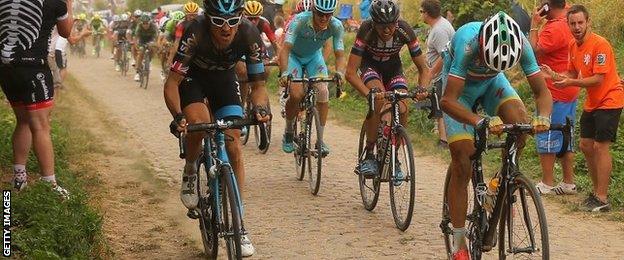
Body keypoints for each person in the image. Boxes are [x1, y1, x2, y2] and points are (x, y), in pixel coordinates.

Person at [440, 12, 552, 259]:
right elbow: (447, 101)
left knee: (520, 126)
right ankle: (459, 244)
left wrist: (543, 116)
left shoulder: (521, 43)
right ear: (482, 45)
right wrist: (480, 120)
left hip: (493, 84)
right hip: (459, 92)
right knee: (463, 159)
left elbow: (542, 93)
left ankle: (498, 185)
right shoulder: (467, 43)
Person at [163, 0, 270, 256]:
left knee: (233, 143)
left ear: (240, 19)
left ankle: (240, 226)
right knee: (198, 125)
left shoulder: (249, 33)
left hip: (224, 79)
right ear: (207, 18)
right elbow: (172, 83)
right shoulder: (195, 32)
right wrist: (178, 116)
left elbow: (258, 86)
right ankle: (190, 170)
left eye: (232, 21)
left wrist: (260, 109)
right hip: (193, 79)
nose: (226, 28)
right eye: (218, 21)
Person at [541, 5, 624, 212]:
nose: (577, 27)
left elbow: (598, 79)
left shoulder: (600, 44)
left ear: (588, 22)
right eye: (573, 23)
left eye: (580, 22)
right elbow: (571, 72)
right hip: (593, 102)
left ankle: (602, 197)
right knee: (586, 145)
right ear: (568, 25)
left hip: (610, 99)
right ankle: (596, 193)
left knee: (600, 146)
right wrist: (554, 75)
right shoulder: (572, 45)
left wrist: (570, 84)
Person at [346, 0, 430, 177]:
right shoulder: (366, 30)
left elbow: (424, 69)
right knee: (379, 99)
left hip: (393, 68)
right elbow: (351, 73)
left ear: (397, 22)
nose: (387, 30)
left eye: (391, 25)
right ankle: (369, 154)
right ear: (374, 23)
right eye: (382, 26)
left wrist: (422, 88)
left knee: (403, 106)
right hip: (370, 67)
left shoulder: (404, 30)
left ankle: (395, 157)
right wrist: (368, 94)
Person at [0, 0, 74, 198]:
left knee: (23, 121)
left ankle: (19, 178)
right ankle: (49, 185)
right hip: (34, 68)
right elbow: (66, 32)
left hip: (7, 69)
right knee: (40, 125)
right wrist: (69, 4)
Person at [279, 0, 346, 155]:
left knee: (323, 92)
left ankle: (320, 140)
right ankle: (289, 131)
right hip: (293, 57)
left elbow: (340, 55)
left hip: (313, 58)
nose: (324, 18)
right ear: (313, 11)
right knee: (296, 95)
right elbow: (285, 49)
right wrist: (284, 73)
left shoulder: (336, 26)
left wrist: (340, 72)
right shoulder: (300, 20)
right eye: (320, 14)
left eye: (328, 14)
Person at [528, 0, 579, 195]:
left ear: (548, 5)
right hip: (568, 88)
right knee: (567, 134)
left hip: (552, 91)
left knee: (546, 132)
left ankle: (547, 182)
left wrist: (534, 24)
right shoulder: (569, 15)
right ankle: (568, 182)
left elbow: (532, 52)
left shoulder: (555, 29)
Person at [420, 0, 455, 148]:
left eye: (421, 11)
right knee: (439, 106)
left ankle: (444, 140)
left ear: (427, 13)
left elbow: (445, 54)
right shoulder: (440, 24)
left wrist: (432, 71)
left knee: (441, 107)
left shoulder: (439, 30)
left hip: (443, 75)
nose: (420, 14)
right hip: (441, 74)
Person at [133, 14, 159, 81]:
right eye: (143, 23)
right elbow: (136, 38)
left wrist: (155, 43)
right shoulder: (139, 26)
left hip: (151, 39)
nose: (145, 25)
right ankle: (137, 73)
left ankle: (148, 61)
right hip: (142, 40)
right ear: (141, 23)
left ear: (149, 22)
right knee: (141, 52)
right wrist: (136, 45)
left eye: (147, 23)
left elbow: (156, 37)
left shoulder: (153, 26)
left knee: (153, 48)